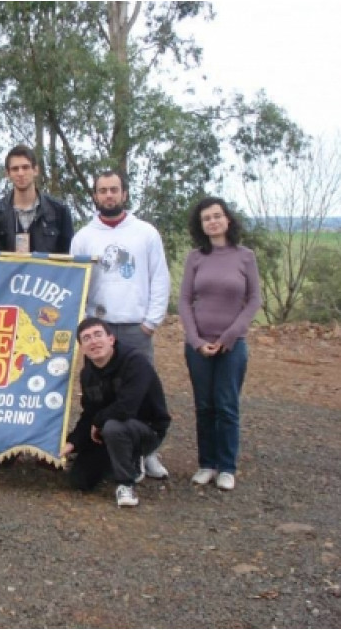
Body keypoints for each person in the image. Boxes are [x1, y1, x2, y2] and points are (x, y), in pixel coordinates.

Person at [69, 170, 171, 478]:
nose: (109, 195)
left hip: (135, 326)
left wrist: (151, 321)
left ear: (124, 194)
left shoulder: (145, 233)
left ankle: (147, 452)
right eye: (103, 190)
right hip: (99, 327)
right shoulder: (84, 237)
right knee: (101, 393)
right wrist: (84, 323)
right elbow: (75, 281)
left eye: (114, 190)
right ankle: (110, 451)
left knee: (140, 392)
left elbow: (160, 277)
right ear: (95, 196)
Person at [178, 197, 262, 491]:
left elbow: (254, 300)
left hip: (232, 346)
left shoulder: (245, 257)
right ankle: (207, 464)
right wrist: (195, 340)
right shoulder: (195, 258)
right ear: (200, 226)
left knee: (226, 406)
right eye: (206, 218)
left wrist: (229, 336)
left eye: (217, 216)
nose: (212, 221)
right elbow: (184, 301)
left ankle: (226, 467)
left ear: (228, 219)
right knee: (204, 406)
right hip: (198, 346)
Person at [62, 318, 171, 507]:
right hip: (107, 431)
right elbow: (89, 413)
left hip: (146, 428)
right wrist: (72, 443)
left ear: (111, 339)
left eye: (98, 335)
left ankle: (126, 483)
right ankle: (122, 459)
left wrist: (98, 421)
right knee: (80, 480)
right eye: (86, 338)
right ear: (82, 348)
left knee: (114, 426)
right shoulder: (87, 375)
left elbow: (127, 407)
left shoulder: (136, 362)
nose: (94, 341)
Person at [0, 144, 73, 255]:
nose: (20, 173)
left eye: (25, 167)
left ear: (35, 170)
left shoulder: (59, 211)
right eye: (15, 169)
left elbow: (68, 255)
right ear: (7, 174)